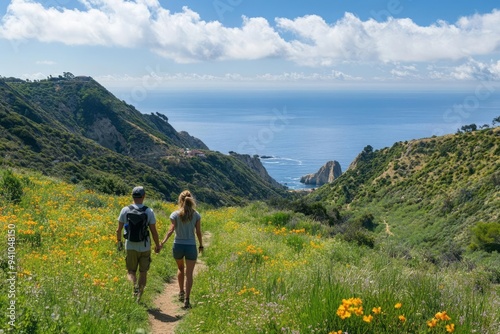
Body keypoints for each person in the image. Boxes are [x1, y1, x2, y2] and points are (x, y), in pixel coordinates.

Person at [116, 186, 161, 302]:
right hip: (144, 246)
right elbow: (153, 231)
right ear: (143, 196)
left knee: (131, 271)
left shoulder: (125, 210)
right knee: (143, 272)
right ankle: (139, 297)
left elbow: (118, 230)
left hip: (130, 245)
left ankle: (133, 291)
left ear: (132, 196)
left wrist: (119, 242)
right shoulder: (148, 211)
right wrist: (157, 245)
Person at [160, 190, 203, 309]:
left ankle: (181, 292)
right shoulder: (196, 215)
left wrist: (162, 242)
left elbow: (171, 230)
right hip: (191, 246)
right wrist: (201, 244)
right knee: (189, 274)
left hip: (178, 245)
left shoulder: (175, 214)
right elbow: (198, 232)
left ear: (180, 200)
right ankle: (187, 300)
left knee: (180, 268)